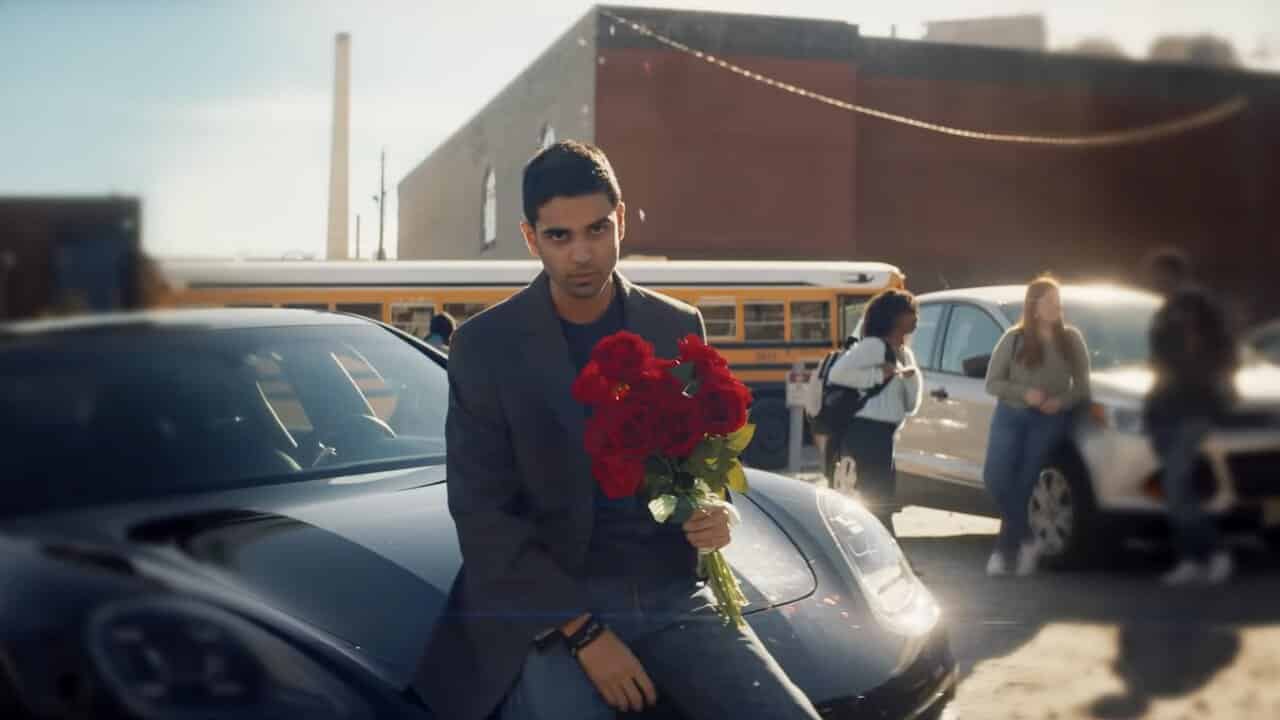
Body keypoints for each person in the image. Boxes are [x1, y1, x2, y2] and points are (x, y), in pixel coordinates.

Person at [413, 141, 820, 720]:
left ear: (621, 220)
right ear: (531, 238)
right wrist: (583, 634)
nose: (582, 253)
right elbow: (482, 519)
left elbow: (701, 461)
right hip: (551, 607)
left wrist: (714, 510)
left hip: (672, 591)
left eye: (598, 229)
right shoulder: (484, 347)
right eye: (560, 236)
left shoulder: (675, 324)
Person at [983, 276, 1091, 576]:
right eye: (1050, 301)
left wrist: (1062, 401)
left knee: (1024, 483)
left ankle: (1004, 553)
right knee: (995, 479)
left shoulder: (1071, 339)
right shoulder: (1013, 338)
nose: (1057, 307)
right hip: (1011, 415)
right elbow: (992, 384)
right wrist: (1025, 394)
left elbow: (1083, 387)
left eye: (1059, 301)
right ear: (1034, 305)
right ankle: (1029, 541)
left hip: (1049, 419)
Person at [1141, 249, 1238, 585]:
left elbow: (1223, 349)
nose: (1154, 282)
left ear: (1174, 274)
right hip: (1166, 408)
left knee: (1177, 483)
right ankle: (1191, 559)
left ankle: (1213, 553)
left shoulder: (1195, 305)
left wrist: (1214, 383)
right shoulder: (1166, 310)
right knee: (1175, 487)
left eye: (1159, 275)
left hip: (1194, 407)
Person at [825, 289, 923, 535]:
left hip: (885, 436)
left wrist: (911, 378)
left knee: (879, 499)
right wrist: (879, 375)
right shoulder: (872, 347)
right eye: (908, 311)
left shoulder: (904, 353)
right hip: (864, 432)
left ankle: (879, 549)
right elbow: (838, 374)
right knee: (875, 499)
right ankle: (886, 552)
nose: (915, 317)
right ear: (893, 316)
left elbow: (910, 405)